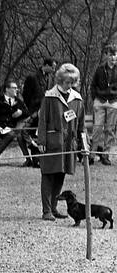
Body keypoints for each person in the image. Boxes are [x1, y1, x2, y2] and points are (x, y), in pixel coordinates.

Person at [38, 63, 88, 221]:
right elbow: (42, 121)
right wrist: (41, 141)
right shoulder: (49, 97)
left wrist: (84, 143)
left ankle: (54, 208)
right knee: (48, 175)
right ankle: (46, 210)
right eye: (67, 82)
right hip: (52, 142)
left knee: (61, 174)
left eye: (73, 82)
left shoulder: (77, 99)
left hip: (68, 143)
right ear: (60, 80)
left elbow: (81, 125)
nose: (70, 85)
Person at [0, 79, 32, 165]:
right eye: (14, 88)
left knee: (11, 135)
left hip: (8, 129)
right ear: (7, 89)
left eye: (17, 88)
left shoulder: (18, 102)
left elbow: (28, 113)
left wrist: (21, 112)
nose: (17, 90)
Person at [89, 38, 117, 166]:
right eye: (111, 55)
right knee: (97, 128)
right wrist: (94, 98)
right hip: (99, 101)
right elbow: (93, 84)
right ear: (106, 55)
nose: (113, 57)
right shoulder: (100, 69)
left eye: (115, 55)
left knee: (109, 130)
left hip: (113, 102)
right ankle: (91, 155)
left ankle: (106, 155)